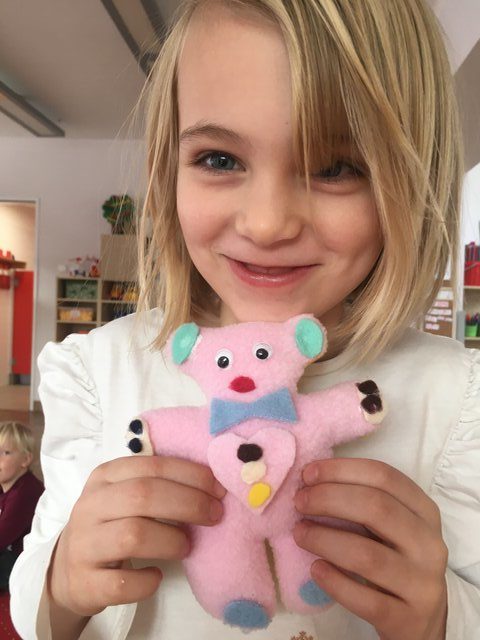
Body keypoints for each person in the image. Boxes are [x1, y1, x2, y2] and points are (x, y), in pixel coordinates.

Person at [9, 0, 480, 638]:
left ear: (413, 181)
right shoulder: (99, 373)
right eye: (220, 160)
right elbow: (36, 605)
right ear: (167, 169)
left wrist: (442, 617)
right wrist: (63, 585)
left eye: (335, 168)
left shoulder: (457, 402)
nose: (266, 223)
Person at [0, 421, 44, 592]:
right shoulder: (6, 484)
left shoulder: (26, 492)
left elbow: (2, 536)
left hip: (25, 565)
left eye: (5, 452)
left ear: (25, 459)